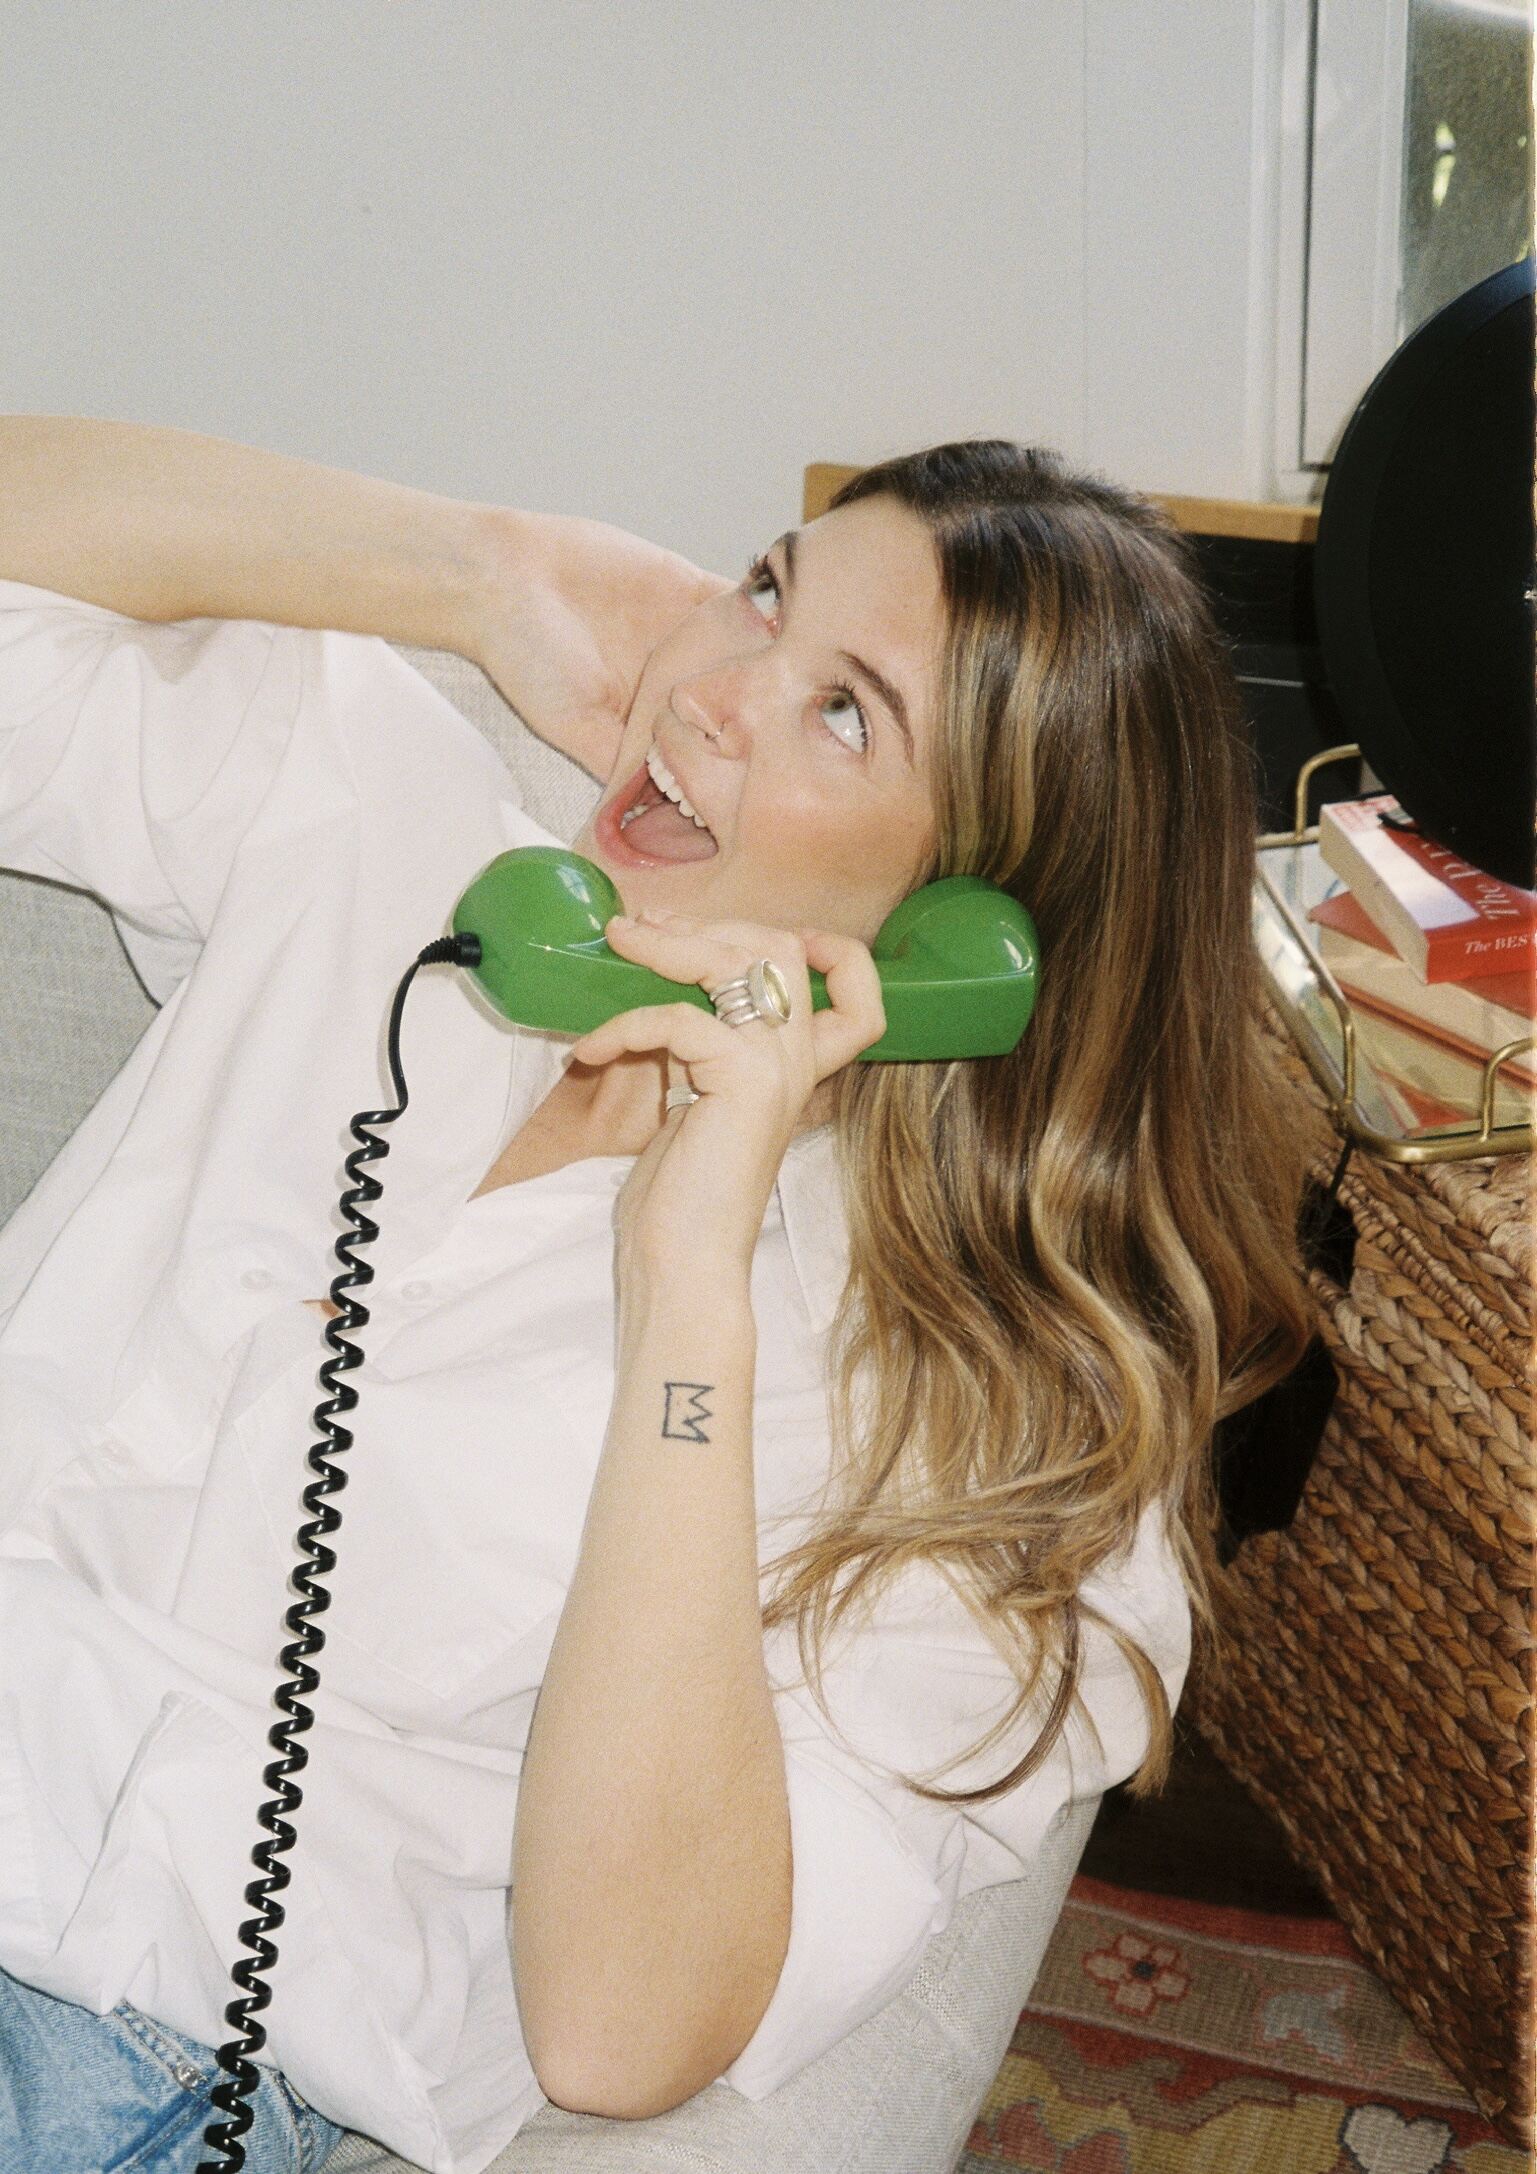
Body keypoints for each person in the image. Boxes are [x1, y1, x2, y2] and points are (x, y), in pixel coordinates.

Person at [0, 421, 1316, 2173]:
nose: (719, 689)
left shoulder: (990, 1438)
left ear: (981, 917)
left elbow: (620, 2026)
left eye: (845, 710)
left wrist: (690, 1276)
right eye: (765, 596)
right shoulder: (389, 846)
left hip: (110, 2047)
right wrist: (481, 566)